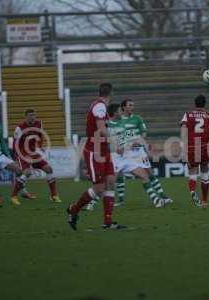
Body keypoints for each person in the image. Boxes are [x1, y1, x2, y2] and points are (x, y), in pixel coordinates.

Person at [67, 83, 125, 230]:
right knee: (99, 188)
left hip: (103, 150)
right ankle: (74, 209)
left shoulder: (100, 107)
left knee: (111, 181)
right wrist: (114, 142)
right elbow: (101, 128)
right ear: (111, 93)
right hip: (95, 151)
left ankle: (108, 222)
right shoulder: (100, 106)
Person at [115, 99, 172, 206]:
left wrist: (139, 141)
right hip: (125, 153)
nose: (132, 107)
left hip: (139, 152)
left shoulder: (137, 118)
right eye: (130, 105)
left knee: (149, 173)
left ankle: (163, 196)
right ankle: (121, 200)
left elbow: (144, 132)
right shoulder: (119, 121)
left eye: (133, 105)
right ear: (124, 107)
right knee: (118, 176)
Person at [13, 109, 61, 204]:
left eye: (34, 115)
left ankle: (54, 195)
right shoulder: (19, 128)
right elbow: (15, 144)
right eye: (30, 115)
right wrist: (16, 158)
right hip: (23, 153)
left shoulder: (39, 124)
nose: (33, 117)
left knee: (49, 169)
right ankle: (13, 195)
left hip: (33, 153)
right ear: (26, 116)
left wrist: (40, 146)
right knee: (27, 172)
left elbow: (40, 135)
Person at [180, 94, 209, 209]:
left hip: (192, 146)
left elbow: (183, 131)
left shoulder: (187, 115)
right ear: (204, 104)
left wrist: (184, 147)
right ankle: (205, 201)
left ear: (194, 103)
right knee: (205, 172)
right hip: (205, 147)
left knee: (192, 172)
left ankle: (192, 191)